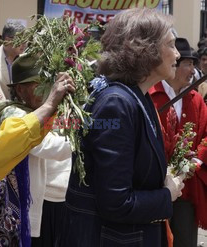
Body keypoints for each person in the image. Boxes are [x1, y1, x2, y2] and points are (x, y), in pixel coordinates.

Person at [58, 8, 184, 247]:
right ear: (146, 49)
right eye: (171, 44)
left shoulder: (137, 97)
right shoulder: (117, 103)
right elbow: (116, 203)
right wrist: (167, 194)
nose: (177, 54)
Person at [0, 72, 75, 246]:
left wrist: (53, 108)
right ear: (20, 90)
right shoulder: (11, 112)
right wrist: (50, 105)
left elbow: (23, 140)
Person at [0, 53, 72, 247]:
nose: (46, 91)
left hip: (65, 202)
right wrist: (85, 136)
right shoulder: (11, 114)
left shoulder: (55, 108)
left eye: (48, 85)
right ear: (20, 90)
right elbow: (51, 147)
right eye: (39, 86)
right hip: (39, 207)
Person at [149, 37, 207, 247]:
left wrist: (195, 161)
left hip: (187, 186)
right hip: (156, 186)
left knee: (185, 239)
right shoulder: (151, 95)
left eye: (194, 64)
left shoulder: (196, 99)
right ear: (174, 64)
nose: (193, 70)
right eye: (188, 64)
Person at [0, 22, 26, 99]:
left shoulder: (26, 59)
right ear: (7, 40)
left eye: (26, 39)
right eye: (21, 40)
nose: (24, 44)